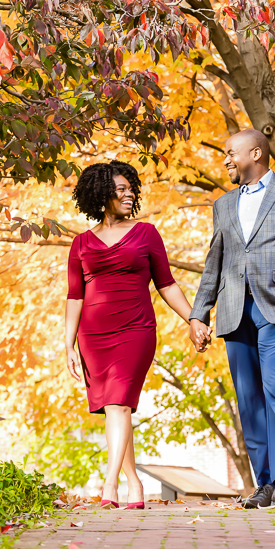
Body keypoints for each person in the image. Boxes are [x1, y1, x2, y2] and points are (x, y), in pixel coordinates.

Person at [188, 130, 275, 509]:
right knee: (248, 400)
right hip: (234, 312)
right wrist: (199, 313)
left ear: (257, 152)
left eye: (231, 153)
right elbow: (213, 263)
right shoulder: (223, 205)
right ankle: (263, 484)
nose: (226, 159)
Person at [65, 160, 204, 509]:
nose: (130, 195)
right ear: (101, 194)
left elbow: (167, 285)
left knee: (118, 403)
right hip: (93, 335)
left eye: (131, 189)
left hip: (136, 328)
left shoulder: (146, 234)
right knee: (117, 410)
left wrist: (194, 319)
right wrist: (67, 343)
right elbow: (74, 295)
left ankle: (109, 486)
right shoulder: (80, 243)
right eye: (122, 189)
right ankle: (135, 484)